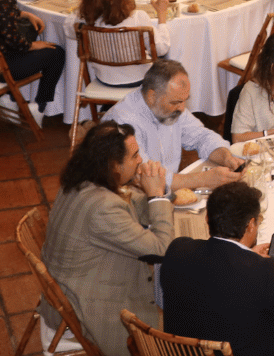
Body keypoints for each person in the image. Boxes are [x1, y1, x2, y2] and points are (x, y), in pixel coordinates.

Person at [41, 121, 174, 356]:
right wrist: (156, 195)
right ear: (113, 165)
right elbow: (161, 249)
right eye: (134, 156)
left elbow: (129, 203)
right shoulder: (102, 207)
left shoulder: (81, 180)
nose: (141, 160)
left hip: (72, 287)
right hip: (89, 309)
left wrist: (155, 196)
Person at [158, 180, 274, 355]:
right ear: (251, 224)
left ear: (207, 218)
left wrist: (247, 256)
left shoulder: (177, 250)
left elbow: (218, 275)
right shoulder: (263, 271)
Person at [105, 60, 244, 193]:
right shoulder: (123, 121)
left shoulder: (172, 105)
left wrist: (226, 157)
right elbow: (145, 175)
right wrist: (203, 179)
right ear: (152, 96)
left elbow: (201, 136)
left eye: (184, 101)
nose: (182, 108)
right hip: (135, 198)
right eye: (175, 102)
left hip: (167, 192)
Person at [76, 0, 170, 88]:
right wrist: (162, 14)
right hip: (139, 78)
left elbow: (69, 27)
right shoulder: (138, 17)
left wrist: (84, 7)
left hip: (105, 78)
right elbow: (162, 49)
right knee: (168, 65)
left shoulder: (86, 21)